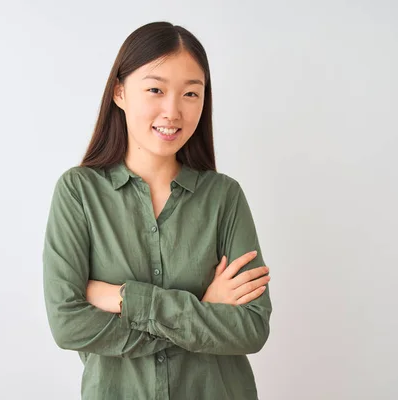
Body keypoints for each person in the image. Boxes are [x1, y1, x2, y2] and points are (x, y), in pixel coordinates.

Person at [43, 21, 272, 400]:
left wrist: (124, 299)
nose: (173, 111)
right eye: (155, 89)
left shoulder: (224, 197)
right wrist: (201, 312)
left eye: (190, 94)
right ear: (119, 92)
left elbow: (250, 328)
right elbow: (68, 325)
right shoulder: (79, 193)